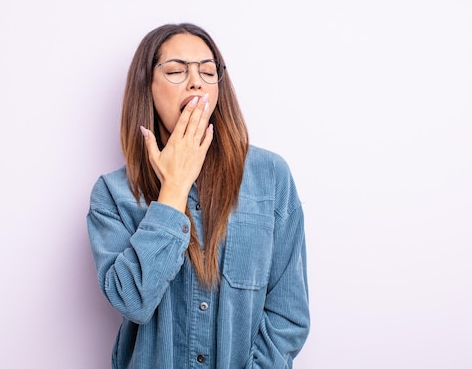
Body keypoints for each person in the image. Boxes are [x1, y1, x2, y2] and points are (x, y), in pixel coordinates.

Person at [87, 22, 310, 368]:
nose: (196, 81)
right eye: (176, 70)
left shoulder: (271, 177)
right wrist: (173, 190)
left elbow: (288, 314)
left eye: (208, 71)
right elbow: (132, 300)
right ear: (147, 87)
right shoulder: (112, 195)